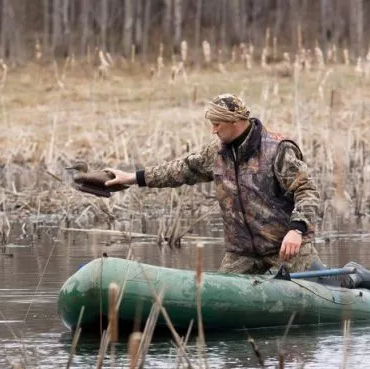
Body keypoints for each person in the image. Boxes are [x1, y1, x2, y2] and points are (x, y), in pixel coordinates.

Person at [104, 93, 323, 274]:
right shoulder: (216, 153)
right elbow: (180, 170)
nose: (213, 130)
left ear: (235, 122)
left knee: (313, 287)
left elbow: (307, 192)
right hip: (242, 254)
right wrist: (132, 177)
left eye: (217, 124)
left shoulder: (278, 149)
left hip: (286, 249)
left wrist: (297, 230)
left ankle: (346, 280)